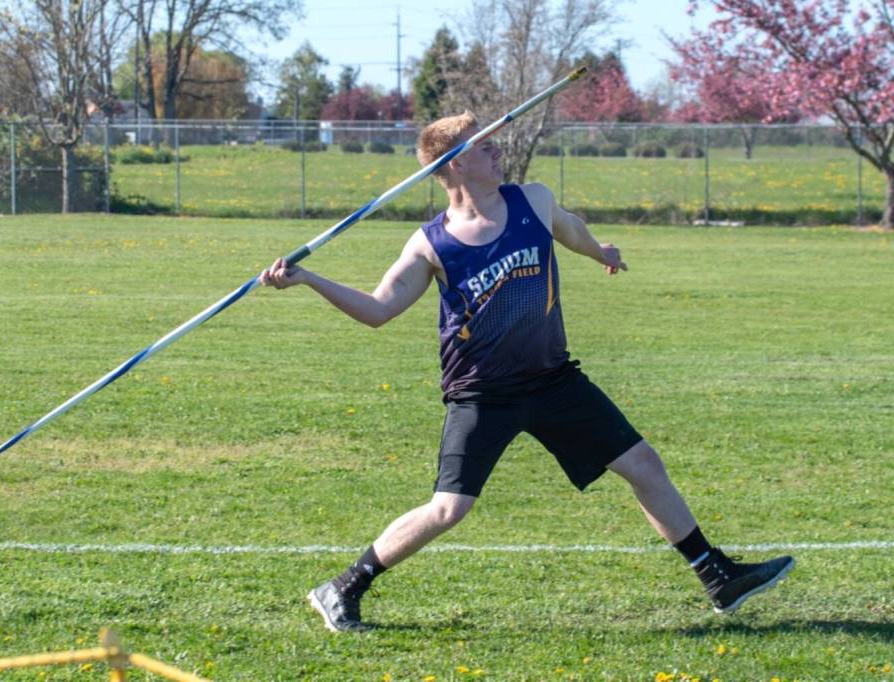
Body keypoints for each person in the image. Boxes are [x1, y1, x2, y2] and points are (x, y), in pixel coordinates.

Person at [259, 112, 794, 632]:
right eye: (481, 144)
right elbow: (379, 310)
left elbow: (569, 229)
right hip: (482, 393)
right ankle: (344, 586)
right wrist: (308, 279)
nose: (496, 148)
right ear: (454, 166)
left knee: (643, 464)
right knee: (449, 508)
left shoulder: (531, 201)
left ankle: (716, 575)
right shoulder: (431, 244)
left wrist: (599, 250)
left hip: (552, 378)